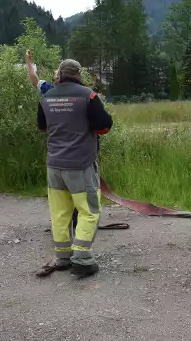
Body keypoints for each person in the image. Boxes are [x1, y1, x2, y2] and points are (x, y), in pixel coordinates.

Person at [37, 58, 113, 278]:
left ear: (60, 74)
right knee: (89, 211)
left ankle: (63, 256)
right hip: (80, 165)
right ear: (78, 74)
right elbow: (104, 126)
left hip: (54, 165)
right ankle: (82, 259)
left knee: (60, 213)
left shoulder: (46, 97)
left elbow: (42, 128)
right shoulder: (88, 96)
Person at [25, 50, 79, 231]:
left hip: (57, 151)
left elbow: (34, 79)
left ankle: (65, 227)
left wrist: (28, 63)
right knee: (79, 191)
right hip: (79, 150)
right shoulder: (82, 93)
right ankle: (78, 224)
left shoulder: (49, 92)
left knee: (61, 193)